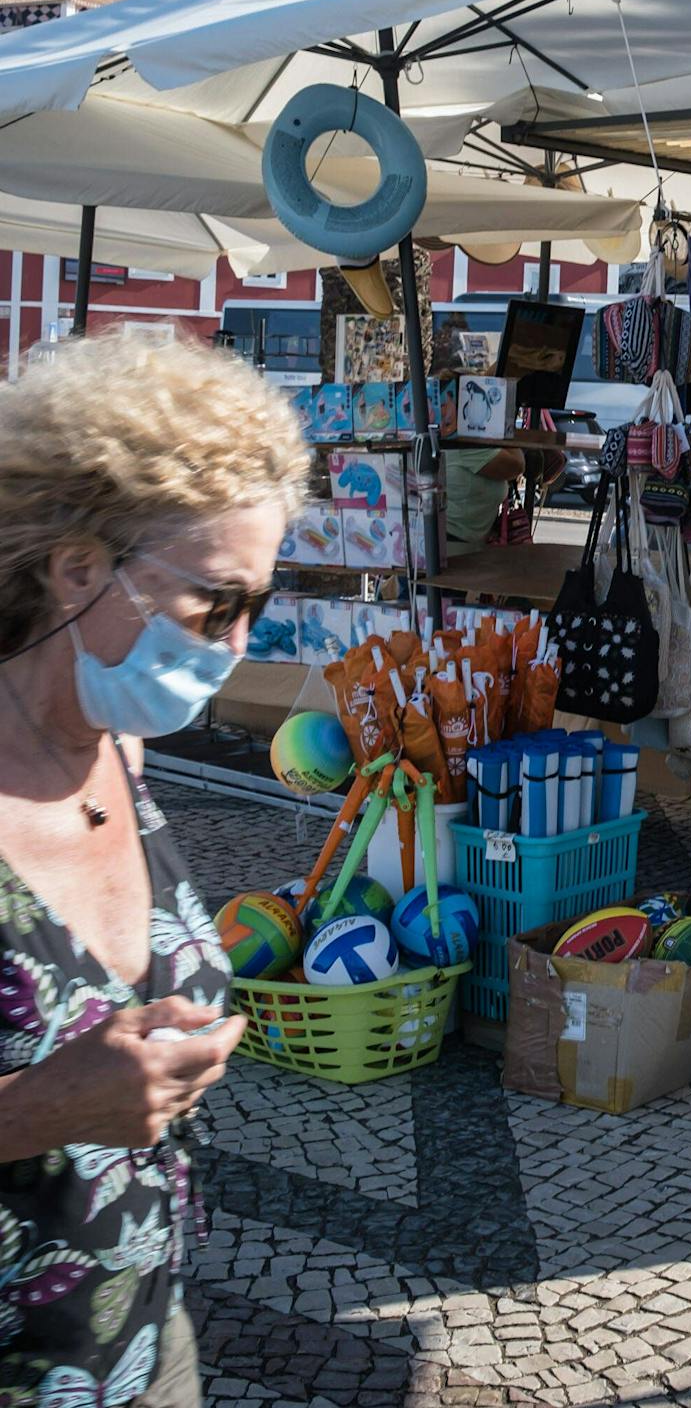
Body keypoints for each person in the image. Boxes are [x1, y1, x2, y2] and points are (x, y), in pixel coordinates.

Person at [0, 332, 308, 1406]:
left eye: (257, 604)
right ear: (79, 568)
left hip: (145, 1343)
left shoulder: (120, 750)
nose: (238, 642)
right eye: (217, 602)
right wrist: (34, 1108)